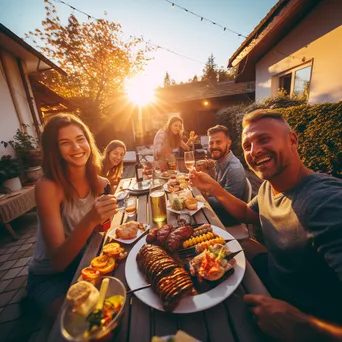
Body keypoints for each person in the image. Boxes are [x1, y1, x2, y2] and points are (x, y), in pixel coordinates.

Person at [190, 109, 342, 337]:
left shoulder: (325, 203)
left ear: (292, 140)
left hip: (304, 314)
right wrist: (213, 187)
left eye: (263, 139)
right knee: (238, 245)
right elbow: (245, 212)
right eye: (248, 145)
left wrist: (304, 326)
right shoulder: (269, 187)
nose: (255, 151)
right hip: (275, 274)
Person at [28, 114, 117, 320]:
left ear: (88, 141)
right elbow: (58, 262)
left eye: (80, 139)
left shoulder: (101, 183)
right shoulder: (47, 187)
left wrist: (103, 218)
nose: (76, 148)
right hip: (49, 277)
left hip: (84, 262)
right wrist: (91, 218)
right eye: (65, 143)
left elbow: (100, 231)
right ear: (54, 150)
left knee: (117, 307)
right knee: (86, 324)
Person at [199, 125, 246, 226]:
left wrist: (203, 196)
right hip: (217, 211)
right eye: (211, 143)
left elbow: (228, 205)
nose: (214, 146)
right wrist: (207, 165)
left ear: (228, 143)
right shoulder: (220, 161)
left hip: (226, 219)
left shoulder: (234, 169)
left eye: (219, 142)